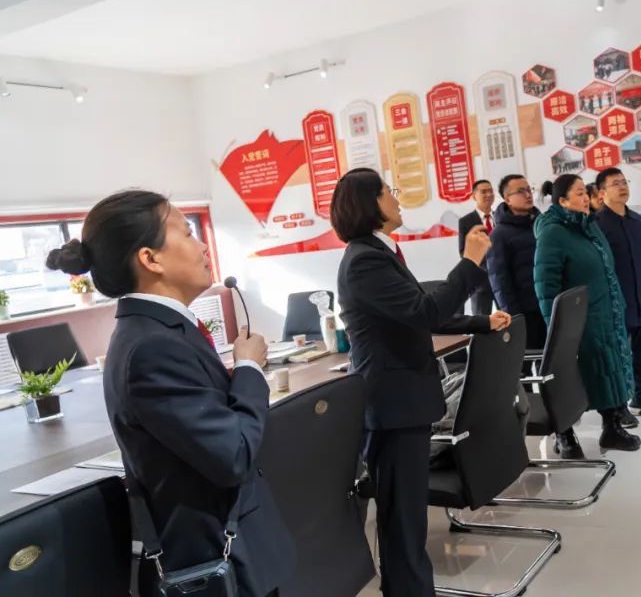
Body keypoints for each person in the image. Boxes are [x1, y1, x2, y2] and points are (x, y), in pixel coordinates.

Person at [45, 190, 295, 597]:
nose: (202, 246)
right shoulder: (151, 347)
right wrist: (249, 369)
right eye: (187, 232)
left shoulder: (163, 331)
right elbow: (233, 454)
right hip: (214, 559)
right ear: (150, 258)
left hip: (236, 551)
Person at [332, 168, 511, 596]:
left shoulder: (380, 253)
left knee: (407, 515)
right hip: (392, 406)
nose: (396, 198)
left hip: (404, 401)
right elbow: (425, 313)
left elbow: (417, 312)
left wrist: (480, 322)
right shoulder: (364, 260)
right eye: (387, 192)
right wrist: (468, 262)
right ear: (369, 204)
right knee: (403, 518)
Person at [534, 174, 641, 452]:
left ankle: (612, 428)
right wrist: (555, 327)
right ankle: (565, 435)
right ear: (562, 201)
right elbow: (546, 285)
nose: (586, 198)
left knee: (610, 369)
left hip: (607, 312)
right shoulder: (553, 233)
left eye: (586, 192)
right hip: (581, 319)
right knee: (575, 378)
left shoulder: (589, 225)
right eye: (580, 193)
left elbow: (606, 269)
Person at [594, 167, 641, 419]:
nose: (622, 187)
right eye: (615, 183)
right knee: (618, 355)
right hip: (615, 302)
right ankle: (619, 406)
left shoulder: (638, 221)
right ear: (602, 193)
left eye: (623, 182)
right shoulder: (597, 225)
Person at [488, 174, 546, 349]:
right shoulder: (499, 235)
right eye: (521, 191)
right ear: (507, 199)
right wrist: (514, 319)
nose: (528, 195)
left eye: (529, 190)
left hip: (549, 305)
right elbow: (500, 282)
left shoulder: (541, 225)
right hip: (526, 313)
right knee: (531, 360)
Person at [457, 179, 497, 315]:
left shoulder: (500, 217)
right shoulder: (466, 221)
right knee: (481, 320)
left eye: (491, 191)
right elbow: (464, 253)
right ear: (474, 196)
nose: (489, 194)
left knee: (510, 319)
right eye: (484, 192)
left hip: (503, 279)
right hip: (480, 282)